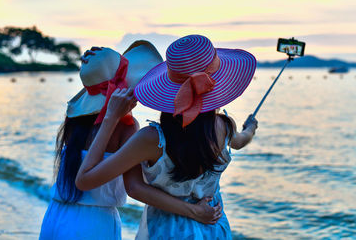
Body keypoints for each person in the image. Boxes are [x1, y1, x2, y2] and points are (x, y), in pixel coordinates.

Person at [75, 34, 258, 239]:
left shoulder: (151, 139)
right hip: (213, 228)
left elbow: (87, 181)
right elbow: (241, 140)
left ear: (168, 89)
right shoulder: (224, 126)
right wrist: (250, 128)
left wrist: (110, 117)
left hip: (167, 232)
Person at [39, 42, 221, 240]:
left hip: (54, 215)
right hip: (93, 224)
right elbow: (133, 186)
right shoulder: (126, 127)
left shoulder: (74, 122)